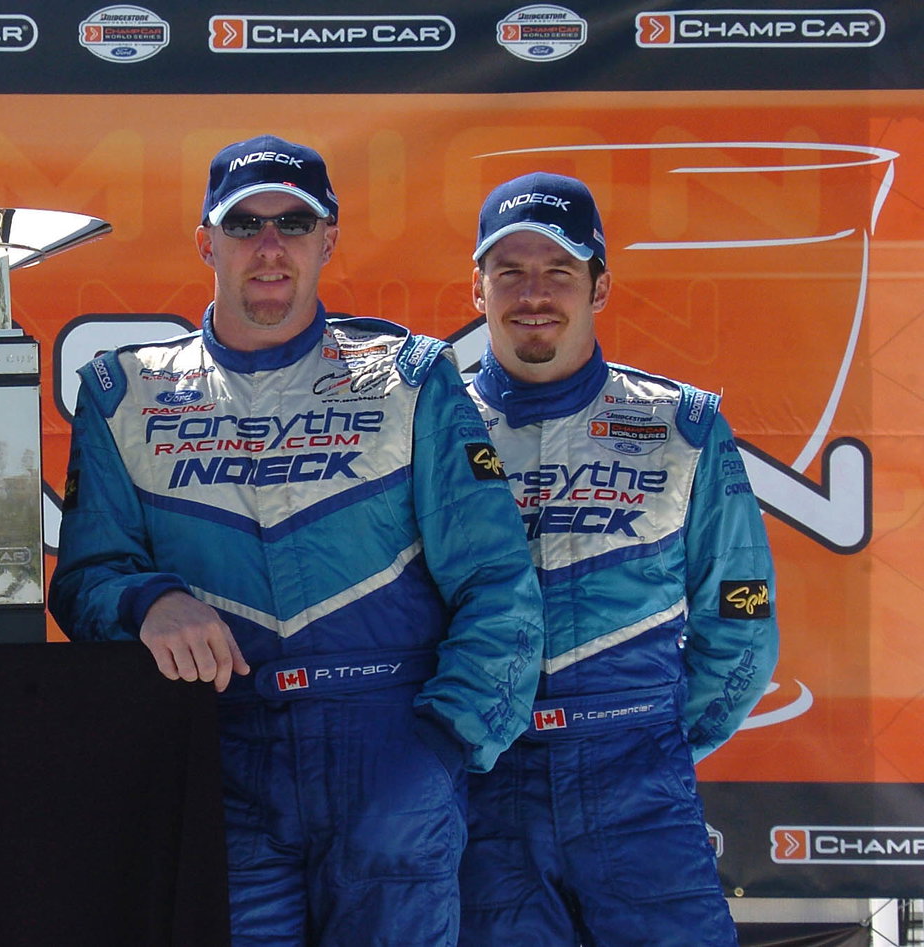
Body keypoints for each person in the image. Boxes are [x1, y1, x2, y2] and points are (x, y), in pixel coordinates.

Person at [48, 135, 545, 946]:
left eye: (293, 222)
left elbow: (498, 585)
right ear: (206, 242)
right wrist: (148, 600)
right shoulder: (123, 393)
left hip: (387, 736)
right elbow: (85, 578)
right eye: (246, 224)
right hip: (221, 752)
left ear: (329, 238)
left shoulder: (410, 376)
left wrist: (447, 745)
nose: (270, 246)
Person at [458, 171, 779, 945]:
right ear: (478, 287)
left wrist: (655, 737)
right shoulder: (428, 427)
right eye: (511, 272)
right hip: (485, 785)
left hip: (638, 783)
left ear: (599, 287)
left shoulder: (685, 424)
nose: (534, 294)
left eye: (560, 271)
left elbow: (742, 613)